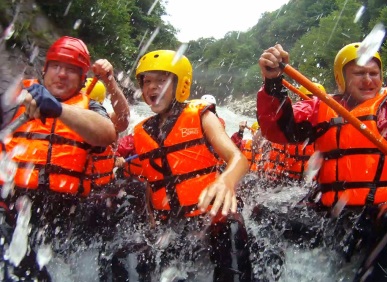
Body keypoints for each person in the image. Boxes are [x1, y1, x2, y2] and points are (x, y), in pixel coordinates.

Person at [255, 42, 387, 281]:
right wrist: (272, 83)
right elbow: (278, 128)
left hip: (375, 218)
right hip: (331, 219)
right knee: (263, 213)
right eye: (359, 73)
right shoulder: (319, 107)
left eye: (374, 73)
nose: (368, 79)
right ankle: (271, 273)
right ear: (341, 79)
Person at [114, 49, 252, 281]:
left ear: (181, 85)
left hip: (212, 221)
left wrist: (226, 180)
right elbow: (151, 183)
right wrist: (151, 221)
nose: (152, 87)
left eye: (161, 80)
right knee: (125, 255)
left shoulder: (201, 116)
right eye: (147, 81)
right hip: (173, 226)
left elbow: (239, 159)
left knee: (232, 229)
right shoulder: (141, 132)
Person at [0, 36, 118, 280]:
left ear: (82, 78)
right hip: (12, 216)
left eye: (71, 70)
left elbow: (107, 133)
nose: (62, 74)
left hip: (61, 221)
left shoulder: (91, 109)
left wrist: (57, 108)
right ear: (44, 69)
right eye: (56, 66)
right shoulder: (15, 100)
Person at [282, 83, 325, 182]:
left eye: (314, 98)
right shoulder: (292, 121)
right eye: (308, 98)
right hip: (290, 180)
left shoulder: (329, 124)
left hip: (313, 182)